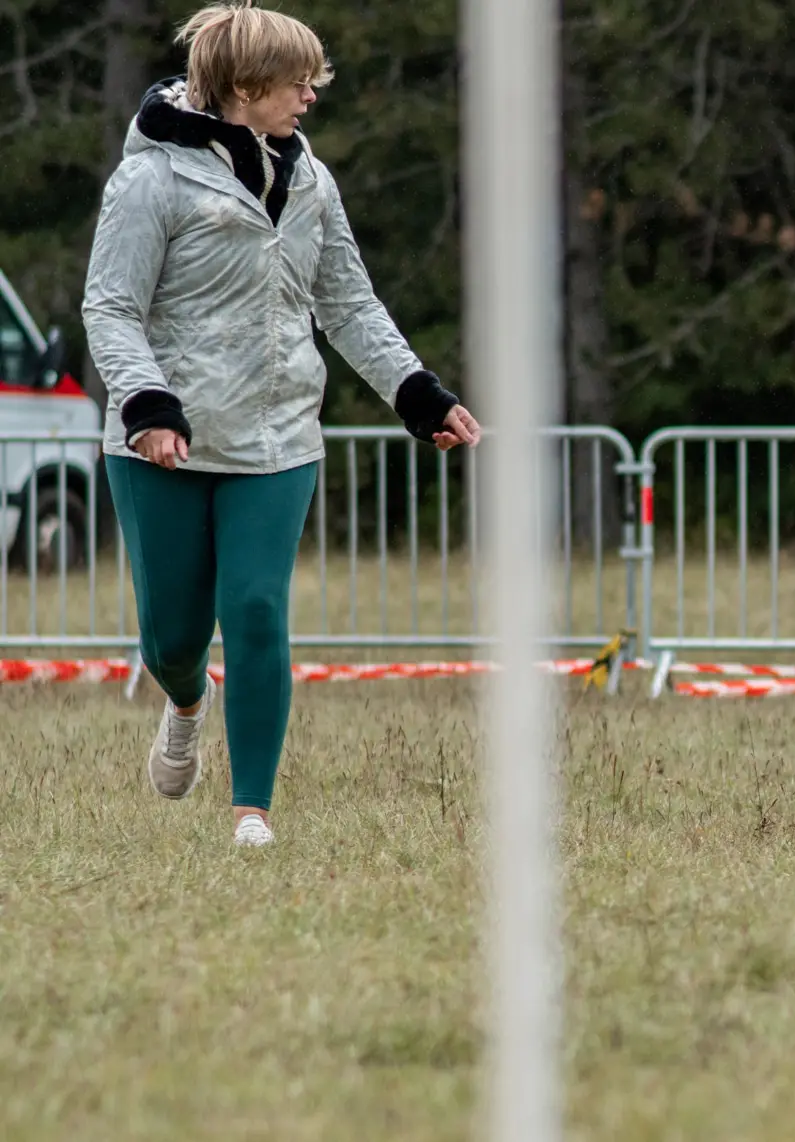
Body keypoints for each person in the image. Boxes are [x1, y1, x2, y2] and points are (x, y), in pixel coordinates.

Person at [82, 0, 482, 848]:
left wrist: (417, 391)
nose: (310, 95)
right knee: (173, 636)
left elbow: (347, 302)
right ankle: (188, 700)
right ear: (244, 85)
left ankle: (250, 811)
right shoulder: (150, 179)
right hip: (164, 438)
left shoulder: (311, 180)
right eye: (298, 81)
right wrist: (147, 403)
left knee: (257, 610)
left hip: (278, 435)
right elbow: (111, 308)